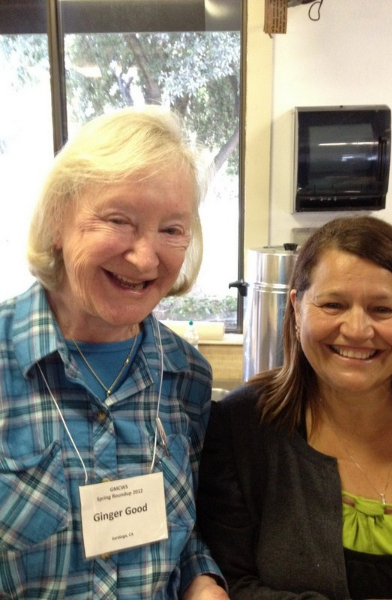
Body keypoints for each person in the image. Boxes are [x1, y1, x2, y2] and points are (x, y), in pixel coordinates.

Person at [0, 106, 229, 600]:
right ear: (57, 221)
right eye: (118, 221)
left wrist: (202, 581)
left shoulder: (186, 376)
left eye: (171, 229)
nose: (145, 259)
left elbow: (185, 531)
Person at [197, 216, 392, 600]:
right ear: (297, 309)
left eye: (382, 309)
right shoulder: (240, 427)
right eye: (333, 304)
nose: (357, 330)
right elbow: (230, 583)